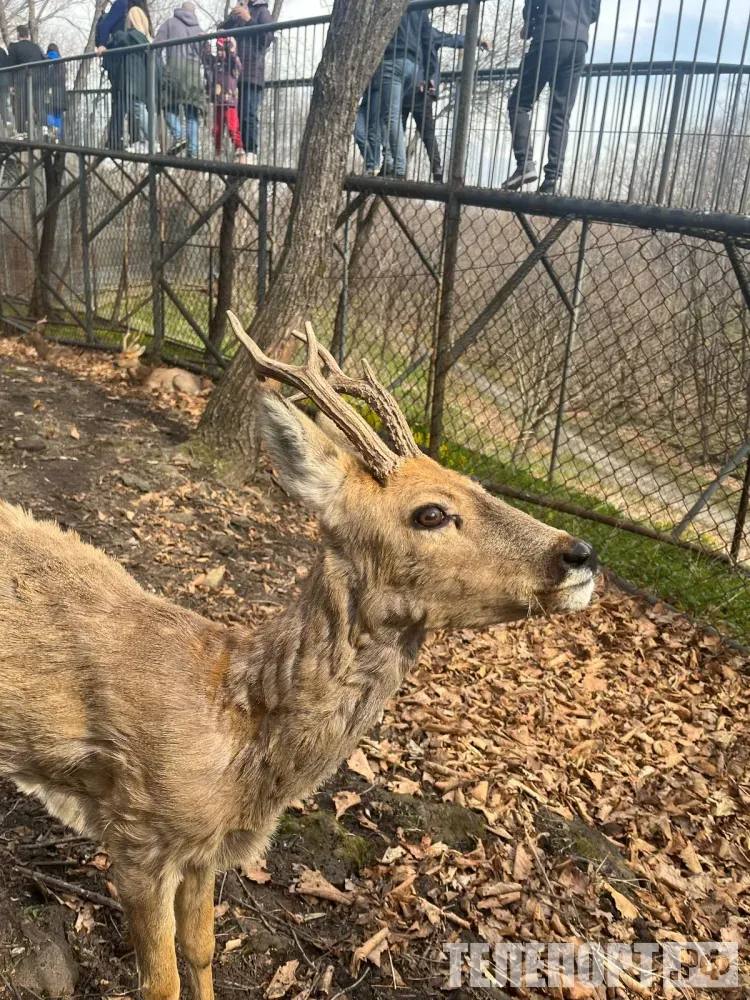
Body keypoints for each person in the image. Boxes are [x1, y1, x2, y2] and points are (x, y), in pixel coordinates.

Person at [503, 0, 599, 193]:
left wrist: (529, 25)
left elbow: (533, 4)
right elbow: (594, 12)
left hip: (549, 36)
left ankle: (525, 163)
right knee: (561, 113)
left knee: (519, 104)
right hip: (579, 42)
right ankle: (551, 180)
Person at [404, 25, 490, 183]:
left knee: (398, 127)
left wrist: (475, 40)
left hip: (409, 88)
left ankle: (396, 166)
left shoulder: (404, 30)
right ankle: (436, 169)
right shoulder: (427, 31)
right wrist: (477, 40)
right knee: (426, 131)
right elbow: (453, 39)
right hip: (420, 86)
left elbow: (454, 39)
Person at [355, 10, 430, 179]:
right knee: (386, 117)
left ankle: (399, 167)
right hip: (412, 65)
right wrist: (426, 73)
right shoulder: (420, 9)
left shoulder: (389, 8)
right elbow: (428, 38)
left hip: (393, 60)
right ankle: (388, 162)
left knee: (390, 117)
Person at [221, 0, 274, 164]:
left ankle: (251, 151)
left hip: (252, 72)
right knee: (235, 115)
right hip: (235, 73)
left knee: (248, 114)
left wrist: (249, 19)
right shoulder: (238, 13)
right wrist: (232, 17)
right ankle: (240, 150)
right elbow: (221, 31)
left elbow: (266, 39)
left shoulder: (262, 11)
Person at [155, 1, 209, 157]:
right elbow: (206, 55)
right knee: (191, 113)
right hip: (193, 73)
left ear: (180, 10)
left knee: (168, 106)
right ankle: (192, 152)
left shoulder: (170, 24)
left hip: (174, 70)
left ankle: (179, 136)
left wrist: (158, 66)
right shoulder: (199, 30)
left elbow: (156, 47)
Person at [97, 5, 152, 151]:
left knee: (133, 106)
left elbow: (111, 30)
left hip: (130, 75)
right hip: (139, 77)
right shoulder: (144, 36)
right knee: (136, 107)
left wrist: (104, 44)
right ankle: (140, 140)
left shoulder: (131, 35)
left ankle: (148, 140)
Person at [207, 35, 246, 162]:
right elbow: (206, 58)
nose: (220, 53)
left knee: (232, 126)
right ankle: (218, 151)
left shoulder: (232, 63)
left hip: (230, 102)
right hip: (218, 102)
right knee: (217, 129)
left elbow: (239, 67)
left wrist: (232, 50)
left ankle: (239, 148)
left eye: (222, 50)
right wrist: (204, 43)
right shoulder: (215, 63)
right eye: (218, 50)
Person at [8, 25, 46, 137]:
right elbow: (43, 61)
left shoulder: (14, 47)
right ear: (28, 35)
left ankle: (21, 131)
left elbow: (11, 66)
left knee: (21, 105)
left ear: (18, 35)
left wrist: (11, 84)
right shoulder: (36, 47)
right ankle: (43, 128)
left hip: (22, 80)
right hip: (38, 79)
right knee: (39, 104)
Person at [44, 43, 67, 140]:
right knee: (59, 116)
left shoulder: (45, 60)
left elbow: (45, 77)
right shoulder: (61, 61)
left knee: (49, 113)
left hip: (49, 92)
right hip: (61, 93)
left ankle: (50, 137)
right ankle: (59, 137)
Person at [0, 46, 14, 135]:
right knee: (4, 103)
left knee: (3, 103)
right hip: (4, 81)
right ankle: (5, 123)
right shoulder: (2, 51)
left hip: (3, 80)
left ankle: (4, 124)